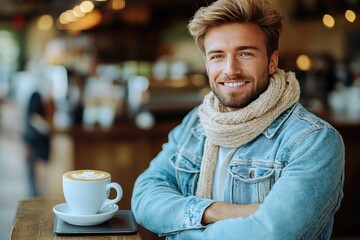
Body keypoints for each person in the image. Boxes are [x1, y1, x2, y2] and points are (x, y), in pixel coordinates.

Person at [131, 0, 345, 239]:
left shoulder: (313, 141)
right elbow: (143, 196)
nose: (230, 69)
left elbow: (272, 233)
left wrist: (178, 228)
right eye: (218, 56)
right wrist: (215, 211)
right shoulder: (197, 123)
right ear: (207, 64)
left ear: (272, 61)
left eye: (245, 53)